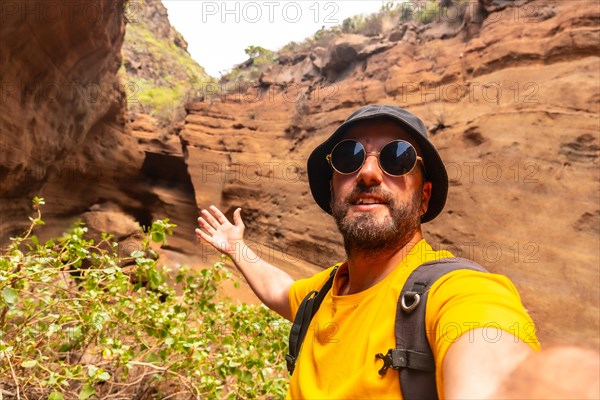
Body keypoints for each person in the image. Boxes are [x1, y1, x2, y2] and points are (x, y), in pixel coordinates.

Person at [194, 105, 586, 398]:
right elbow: (282, 291)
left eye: (396, 158)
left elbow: (496, 365)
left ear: (424, 197)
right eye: (349, 157)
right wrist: (236, 247)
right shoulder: (325, 292)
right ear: (333, 190)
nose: (368, 173)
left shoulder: (457, 292)